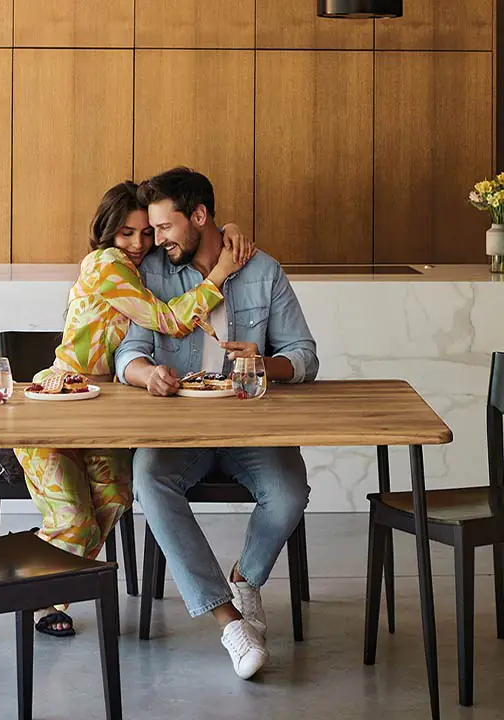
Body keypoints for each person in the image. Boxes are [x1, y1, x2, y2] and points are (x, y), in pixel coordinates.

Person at [14, 180, 254, 636]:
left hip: (103, 406)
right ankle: (35, 591)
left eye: (147, 233)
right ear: (108, 232)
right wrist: (220, 271)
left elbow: (189, 237)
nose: (140, 244)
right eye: (127, 233)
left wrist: (230, 229)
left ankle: (41, 573)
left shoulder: (141, 267)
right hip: (59, 398)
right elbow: (170, 321)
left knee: (118, 495)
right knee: (74, 520)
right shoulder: (107, 264)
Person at [114, 167, 319, 679]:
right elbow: (128, 355)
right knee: (148, 479)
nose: (154, 240)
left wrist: (264, 363)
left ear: (199, 217)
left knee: (291, 490)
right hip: (180, 429)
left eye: (163, 227)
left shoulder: (263, 270)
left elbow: (305, 356)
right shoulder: (153, 275)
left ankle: (245, 579)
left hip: (251, 427)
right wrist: (148, 375)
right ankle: (229, 620)